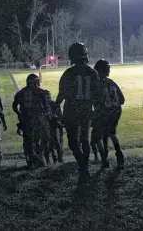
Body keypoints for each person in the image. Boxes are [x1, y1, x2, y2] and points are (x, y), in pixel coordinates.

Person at [56, 43, 101, 184]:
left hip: (71, 110)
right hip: (86, 110)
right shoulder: (93, 73)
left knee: (73, 142)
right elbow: (97, 95)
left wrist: (56, 105)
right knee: (84, 140)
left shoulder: (68, 73)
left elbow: (62, 94)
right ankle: (84, 167)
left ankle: (83, 167)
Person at [12, 74, 50, 168]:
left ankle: (32, 159)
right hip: (37, 118)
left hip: (25, 119)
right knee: (46, 136)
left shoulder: (21, 92)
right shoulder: (41, 92)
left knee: (28, 140)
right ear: (37, 82)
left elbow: (14, 106)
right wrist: (45, 114)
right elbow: (46, 107)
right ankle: (39, 154)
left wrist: (19, 114)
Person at [94, 59, 125, 169]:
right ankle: (118, 151)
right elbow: (122, 100)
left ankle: (104, 160)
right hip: (116, 111)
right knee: (112, 133)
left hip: (104, 112)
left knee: (95, 138)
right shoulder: (112, 82)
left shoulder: (96, 83)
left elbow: (95, 100)